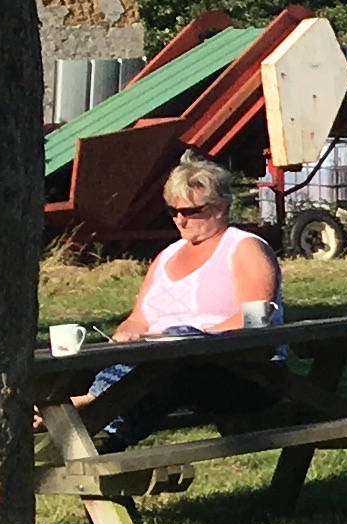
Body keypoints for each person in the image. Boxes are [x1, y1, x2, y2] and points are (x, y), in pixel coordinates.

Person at [80, 156, 286, 451]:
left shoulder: (244, 248)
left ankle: (92, 407)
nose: (180, 219)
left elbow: (255, 318)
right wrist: (128, 332)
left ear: (220, 206)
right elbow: (138, 319)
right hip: (164, 368)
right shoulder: (167, 256)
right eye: (172, 211)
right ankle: (94, 419)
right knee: (159, 359)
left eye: (190, 211)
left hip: (240, 370)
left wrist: (190, 338)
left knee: (178, 346)